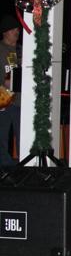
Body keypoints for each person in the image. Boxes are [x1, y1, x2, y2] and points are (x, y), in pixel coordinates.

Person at [0, 14, 22, 167]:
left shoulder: (22, 50)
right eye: (13, 29)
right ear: (5, 32)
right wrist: (4, 82)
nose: (17, 31)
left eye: (17, 29)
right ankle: (6, 167)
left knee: (22, 135)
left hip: (21, 101)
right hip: (3, 99)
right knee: (2, 136)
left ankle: (24, 168)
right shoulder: (0, 50)